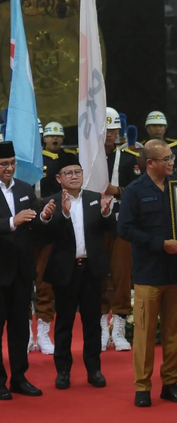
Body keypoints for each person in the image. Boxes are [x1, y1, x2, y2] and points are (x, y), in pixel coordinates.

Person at [118, 140, 177, 407]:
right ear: (150, 163)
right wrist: (159, 244)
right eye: (166, 159)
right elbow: (125, 229)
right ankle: (142, 386)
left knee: (175, 333)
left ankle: (171, 383)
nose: (172, 162)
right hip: (149, 273)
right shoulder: (135, 191)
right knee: (145, 333)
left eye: (172, 158)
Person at [40, 154, 115, 390]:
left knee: (92, 322)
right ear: (59, 178)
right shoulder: (50, 201)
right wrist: (61, 214)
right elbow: (45, 236)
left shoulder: (95, 199)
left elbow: (111, 230)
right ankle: (63, 371)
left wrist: (105, 214)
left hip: (92, 270)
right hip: (66, 271)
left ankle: (94, 369)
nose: (74, 176)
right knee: (64, 322)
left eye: (78, 172)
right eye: (69, 173)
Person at [0, 141, 46, 400]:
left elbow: (36, 225)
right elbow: (16, 222)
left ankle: (19, 377)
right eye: (4, 164)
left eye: (12, 163)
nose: (9, 168)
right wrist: (10, 221)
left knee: (20, 327)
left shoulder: (26, 189)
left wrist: (47, 216)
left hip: (21, 271)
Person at [32, 121, 78, 356]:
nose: (55, 140)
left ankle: (42, 330)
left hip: (47, 227)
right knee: (19, 283)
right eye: (50, 136)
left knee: (44, 283)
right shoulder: (23, 156)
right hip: (21, 227)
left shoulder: (62, 159)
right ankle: (27, 333)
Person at [101, 107, 142, 352]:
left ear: (119, 130)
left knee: (122, 274)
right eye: (105, 129)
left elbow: (137, 190)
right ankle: (98, 328)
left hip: (121, 223)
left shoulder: (128, 158)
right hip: (93, 224)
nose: (109, 134)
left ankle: (118, 327)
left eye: (113, 129)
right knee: (97, 276)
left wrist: (116, 191)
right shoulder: (86, 158)